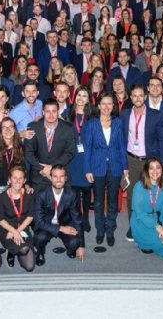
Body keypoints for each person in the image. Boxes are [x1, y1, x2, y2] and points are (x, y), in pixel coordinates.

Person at [119, 84, 163, 241]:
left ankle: (155, 225)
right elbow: (121, 139)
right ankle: (134, 227)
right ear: (130, 97)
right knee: (133, 195)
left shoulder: (156, 115)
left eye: (141, 95)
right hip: (131, 159)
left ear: (145, 96)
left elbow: (162, 140)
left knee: (153, 194)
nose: (138, 98)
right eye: (134, 95)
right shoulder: (124, 114)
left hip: (150, 161)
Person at [83, 92, 128, 247]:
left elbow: (122, 146)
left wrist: (125, 167)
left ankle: (110, 229)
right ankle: (100, 230)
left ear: (113, 106)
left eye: (110, 104)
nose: (106, 107)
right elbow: (87, 148)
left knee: (113, 201)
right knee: (98, 202)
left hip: (115, 166)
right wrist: (87, 169)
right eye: (104, 103)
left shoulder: (118, 122)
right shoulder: (91, 123)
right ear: (98, 105)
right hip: (97, 167)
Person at [33, 165, 86, 265]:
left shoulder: (72, 194)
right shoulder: (41, 194)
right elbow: (39, 222)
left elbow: (77, 219)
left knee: (75, 242)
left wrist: (81, 245)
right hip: (47, 225)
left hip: (65, 222)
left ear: (66, 178)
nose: (58, 180)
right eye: (55, 176)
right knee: (39, 238)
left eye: (61, 176)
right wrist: (60, 229)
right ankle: (40, 252)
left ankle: (70, 249)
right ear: (51, 177)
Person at [25, 99, 75, 191]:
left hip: (59, 176)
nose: (51, 115)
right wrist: (43, 169)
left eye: (54, 111)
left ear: (58, 111)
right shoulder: (32, 127)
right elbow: (28, 153)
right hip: (39, 176)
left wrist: (52, 167)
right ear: (43, 112)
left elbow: (70, 152)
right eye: (48, 111)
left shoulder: (68, 128)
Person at [67, 87, 94, 232]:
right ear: (74, 96)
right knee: (75, 191)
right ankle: (77, 218)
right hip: (72, 158)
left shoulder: (92, 116)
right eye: (79, 95)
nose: (81, 98)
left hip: (87, 157)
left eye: (84, 95)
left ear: (88, 99)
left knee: (86, 189)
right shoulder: (67, 114)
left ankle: (85, 218)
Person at [0, 166, 35, 271]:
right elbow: (0, 220)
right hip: (7, 230)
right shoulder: (1, 197)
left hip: (22, 229)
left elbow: (30, 217)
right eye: (14, 178)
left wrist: (17, 231)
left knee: (30, 266)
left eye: (20, 178)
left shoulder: (28, 195)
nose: (17, 181)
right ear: (9, 180)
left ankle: (14, 251)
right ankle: (12, 250)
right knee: (24, 249)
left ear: (24, 180)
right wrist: (13, 231)